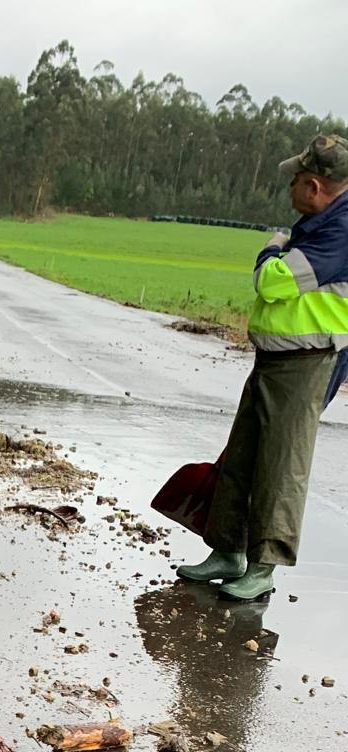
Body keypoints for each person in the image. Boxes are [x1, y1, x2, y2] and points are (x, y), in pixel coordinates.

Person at [176, 133, 348, 601]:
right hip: (275, 357)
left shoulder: (341, 230)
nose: (289, 186)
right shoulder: (317, 223)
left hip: (307, 363)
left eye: (295, 178)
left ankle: (264, 565)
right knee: (244, 454)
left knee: (281, 466)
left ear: (314, 186)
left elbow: (272, 282)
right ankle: (227, 550)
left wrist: (272, 246)